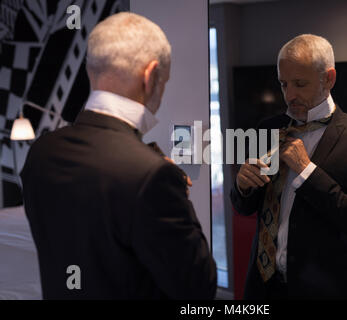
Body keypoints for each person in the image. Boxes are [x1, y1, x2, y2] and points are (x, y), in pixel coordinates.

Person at [20, 12, 216, 300]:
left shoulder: (40, 152)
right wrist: (179, 194)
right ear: (150, 77)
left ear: (91, 71)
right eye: (164, 82)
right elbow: (198, 287)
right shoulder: (154, 175)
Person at [230, 34, 347, 299]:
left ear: (329, 78)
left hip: (323, 291)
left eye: (300, 84)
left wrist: (306, 171)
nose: (290, 95)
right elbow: (245, 206)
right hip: (262, 288)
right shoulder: (267, 129)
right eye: (283, 84)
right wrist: (242, 186)